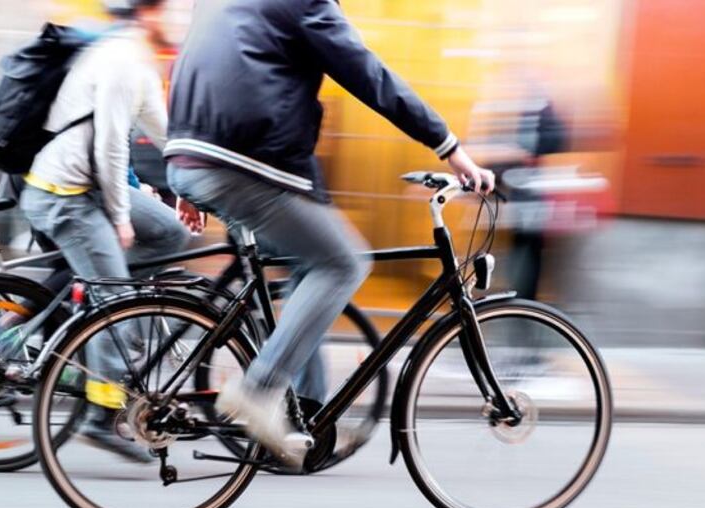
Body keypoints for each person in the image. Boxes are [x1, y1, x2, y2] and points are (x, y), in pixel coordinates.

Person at [165, 0, 495, 466]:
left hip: (192, 155)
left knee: (311, 266)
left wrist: (189, 171)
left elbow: (192, 70)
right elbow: (369, 76)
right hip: (243, 162)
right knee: (343, 262)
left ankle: (308, 419)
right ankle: (258, 391)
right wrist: (450, 147)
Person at [4, 0, 193, 461]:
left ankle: (97, 301)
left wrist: (193, 188)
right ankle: (99, 413)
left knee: (171, 233)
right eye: (180, 8)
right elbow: (109, 145)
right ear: (149, 13)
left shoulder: (143, 63)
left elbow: (169, 136)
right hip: (63, 195)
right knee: (117, 297)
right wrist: (121, 216)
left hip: (87, 192)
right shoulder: (122, 58)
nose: (186, 19)